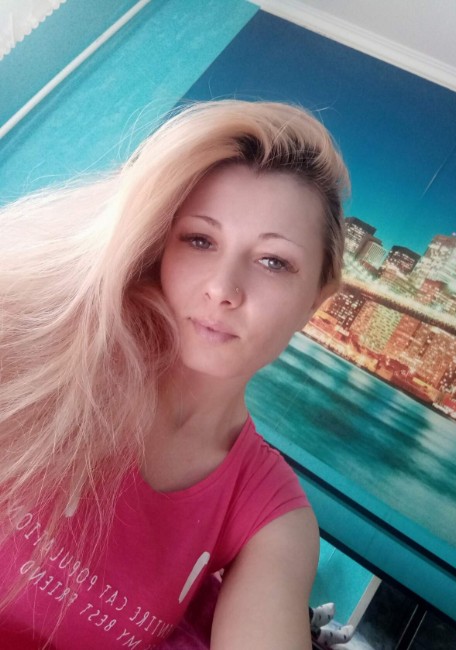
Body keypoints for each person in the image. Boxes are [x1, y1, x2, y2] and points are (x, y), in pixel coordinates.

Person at [0, 100, 349, 649]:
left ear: (317, 300)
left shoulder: (271, 514)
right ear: (157, 243)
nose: (223, 289)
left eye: (274, 261)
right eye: (200, 240)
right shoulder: (31, 355)